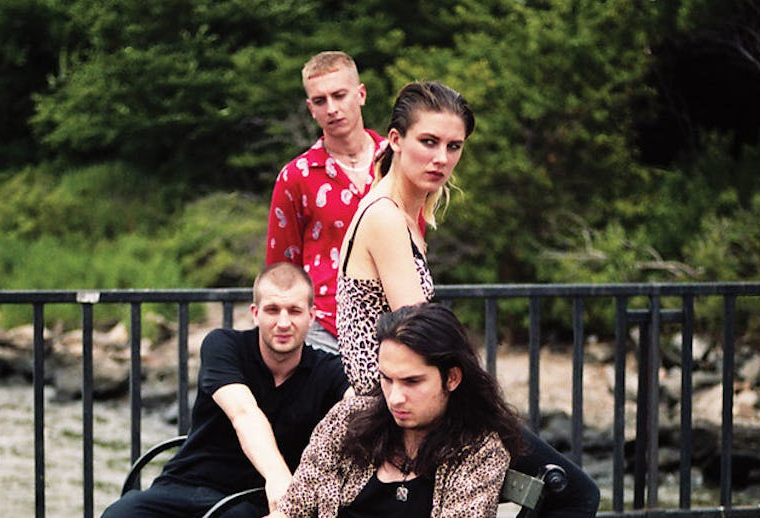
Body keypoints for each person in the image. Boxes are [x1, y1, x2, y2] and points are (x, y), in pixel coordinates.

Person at [336, 81, 601, 516]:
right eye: (428, 142)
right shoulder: (383, 216)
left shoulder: (404, 212)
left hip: (411, 397)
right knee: (576, 493)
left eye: (453, 146)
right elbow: (419, 337)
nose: (441, 158)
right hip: (394, 402)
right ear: (396, 140)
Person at [102, 262, 352, 518]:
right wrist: (279, 478)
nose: (283, 322)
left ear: (311, 316)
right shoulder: (223, 345)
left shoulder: (329, 369)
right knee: (121, 513)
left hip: (254, 500)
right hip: (186, 485)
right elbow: (243, 412)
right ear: (255, 314)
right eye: (273, 310)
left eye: (295, 311)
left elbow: (364, 407)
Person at [266, 303, 524, 518]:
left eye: (412, 381)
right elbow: (292, 509)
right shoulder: (348, 420)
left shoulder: (478, 451)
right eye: (387, 379)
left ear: (452, 378)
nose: (395, 398)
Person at [265, 51, 391, 353]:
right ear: (311, 108)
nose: (332, 108)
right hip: (325, 327)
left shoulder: (396, 162)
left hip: (394, 322)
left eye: (339, 95)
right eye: (320, 101)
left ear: (361, 95)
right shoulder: (296, 176)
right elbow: (282, 266)